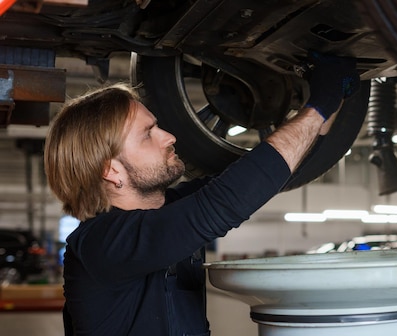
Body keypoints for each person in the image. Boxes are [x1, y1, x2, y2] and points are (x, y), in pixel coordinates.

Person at [44, 53, 360, 336]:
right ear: (110, 170)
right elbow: (221, 204)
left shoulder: (173, 209)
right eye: (148, 134)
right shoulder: (101, 244)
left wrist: (329, 101)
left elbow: (270, 173)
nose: (168, 137)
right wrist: (318, 105)